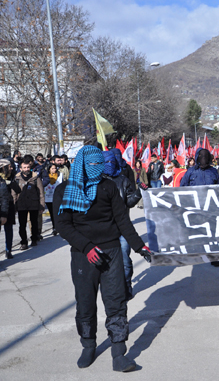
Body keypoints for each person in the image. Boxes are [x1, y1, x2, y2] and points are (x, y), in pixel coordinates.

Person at [54, 145, 151, 371]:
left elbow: (122, 221)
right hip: (83, 255)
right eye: (93, 165)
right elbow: (63, 226)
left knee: (116, 302)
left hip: (111, 252)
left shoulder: (107, 187)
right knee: (85, 303)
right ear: (82, 166)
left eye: (101, 164)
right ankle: (88, 345)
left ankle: (119, 353)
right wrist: (87, 247)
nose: (98, 168)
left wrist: (140, 246)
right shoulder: (64, 191)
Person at [102, 150, 144, 300]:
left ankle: (127, 286)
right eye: (106, 162)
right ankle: (113, 289)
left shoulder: (123, 180)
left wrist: (139, 193)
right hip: (105, 229)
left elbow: (129, 202)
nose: (109, 165)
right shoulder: (97, 182)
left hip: (122, 228)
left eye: (112, 162)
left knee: (125, 260)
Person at [180, 149, 219, 267]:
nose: (204, 159)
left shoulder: (213, 171)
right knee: (195, 231)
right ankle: (194, 254)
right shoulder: (190, 172)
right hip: (194, 208)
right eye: (201, 157)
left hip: (210, 208)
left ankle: (213, 256)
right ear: (197, 157)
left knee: (212, 233)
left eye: (206, 157)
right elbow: (182, 187)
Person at [12, 159, 44, 250]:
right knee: (22, 224)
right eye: (24, 167)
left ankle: (34, 238)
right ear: (21, 168)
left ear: (30, 168)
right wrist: (14, 206)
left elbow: (41, 193)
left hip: (33, 204)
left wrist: (41, 205)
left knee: (34, 223)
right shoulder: (17, 179)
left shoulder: (35, 178)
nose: (26, 169)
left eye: (28, 167)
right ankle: (24, 242)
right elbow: (14, 193)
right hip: (21, 204)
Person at [0, 160, 18, 259]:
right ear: (3, 167)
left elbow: (18, 190)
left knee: (8, 229)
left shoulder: (11, 176)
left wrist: (10, 182)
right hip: (1, 207)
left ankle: (8, 250)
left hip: (9, 205)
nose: (11, 168)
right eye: (9, 166)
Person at [44, 163, 63, 236]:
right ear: (49, 169)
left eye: (55, 168)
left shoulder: (59, 175)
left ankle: (59, 227)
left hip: (57, 197)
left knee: (57, 213)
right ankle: (54, 227)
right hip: (48, 197)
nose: (54, 170)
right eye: (52, 168)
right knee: (52, 213)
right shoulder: (46, 177)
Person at [0, 160, 11, 259]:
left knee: (8, 230)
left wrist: (3, 215)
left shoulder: (1, 181)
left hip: (3, 211)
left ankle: (8, 250)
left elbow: (3, 198)